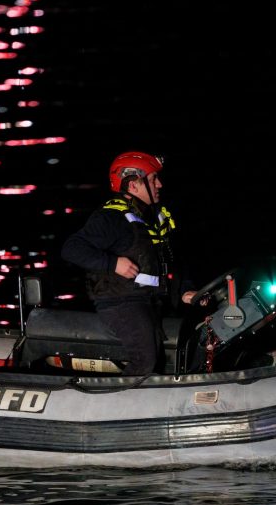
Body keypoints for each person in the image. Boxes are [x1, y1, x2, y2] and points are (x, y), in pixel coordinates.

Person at [61, 151, 198, 375]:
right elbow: (71, 248)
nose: (160, 184)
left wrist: (185, 290)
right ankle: (114, 404)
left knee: (180, 349)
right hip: (120, 303)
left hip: (149, 301)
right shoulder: (111, 218)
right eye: (154, 179)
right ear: (133, 185)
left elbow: (172, 262)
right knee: (145, 359)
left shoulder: (154, 217)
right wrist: (112, 263)